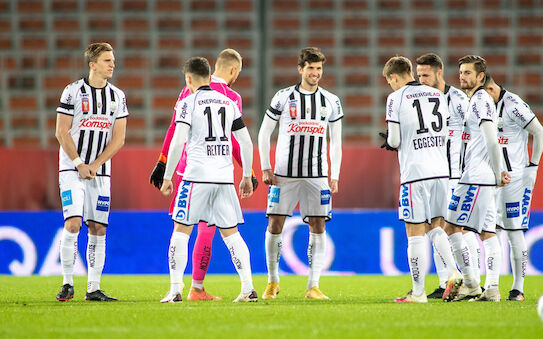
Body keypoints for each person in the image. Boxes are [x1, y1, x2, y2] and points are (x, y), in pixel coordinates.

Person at [149, 49, 257, 301]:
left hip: (195, 176)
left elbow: (177, 141)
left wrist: (167, 176)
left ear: (189, 79)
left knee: (181, 231)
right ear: (209, 76)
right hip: (224, 178)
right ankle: (248, 288)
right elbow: (246, 143)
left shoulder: (188, 101)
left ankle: (176, 290)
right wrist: (246, 174)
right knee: (232, 234)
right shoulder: (229, 102)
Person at [258, 47, 343, 300]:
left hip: (317, 175)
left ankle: (313, 286)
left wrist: (335, 174)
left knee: (318, 225)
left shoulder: (331, 100)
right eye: (310, 68)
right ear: (300, 69)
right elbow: (264, 133)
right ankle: (273, 281)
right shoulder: (283, 97)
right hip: (284, 174)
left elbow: (336, 141)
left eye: (318, 68)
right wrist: (265, 166)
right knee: (275, 224)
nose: (315, 73)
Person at [55, 42, 128, 302]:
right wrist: (78, 163)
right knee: (73, 223)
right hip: (71, 168)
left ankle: (93, 288)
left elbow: (118, 139)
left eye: (113, 60)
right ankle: (67, 283)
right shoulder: (72, 91)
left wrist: (95, 165)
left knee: (98, 227)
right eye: (107, 60)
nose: (112, 64)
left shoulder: (117, 96)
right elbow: (61, 131)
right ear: (92, 64)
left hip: (100, 172)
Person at [380, 56, 452, 303]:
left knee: (415, 232)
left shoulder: (395, 98)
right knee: (437, 228)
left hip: (415, 173)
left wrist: (389, 140)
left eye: (389, 81)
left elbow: (395, 141)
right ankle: (456, 275)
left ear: (394, 77)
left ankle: (418, 292)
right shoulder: (438, 95)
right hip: (442, 171)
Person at [442, 55, 510, 302]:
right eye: (461, 72)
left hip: (476, 177)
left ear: (481, 77)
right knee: (486, 232)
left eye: (468, 73)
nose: (462, 76)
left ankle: (473, 284)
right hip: (478, 176)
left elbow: (492, 138)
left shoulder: (480, 100)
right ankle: (489, 287)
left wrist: (497, 172)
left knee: (452, 227)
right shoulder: (476, 100)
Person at [415, 53, 481, 298]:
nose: (421, 79)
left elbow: (476, 131)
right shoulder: (420, 100)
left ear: (439, 73)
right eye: (418, 75)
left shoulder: (458, 99)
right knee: (436, 227)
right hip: (434, 173)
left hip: (457, 173)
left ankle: (474, 282)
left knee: (461, 229)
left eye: (426, 75)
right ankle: (446, 284)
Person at [484, 73, 543, 301]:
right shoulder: (484, 105)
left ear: (490, 89)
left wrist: (533, 166)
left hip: (514, 179)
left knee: (513, 230)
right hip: (489, 179)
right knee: (488, 231)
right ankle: (490, 285)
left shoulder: (514, 105)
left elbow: (540, 132)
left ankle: (517, 288)